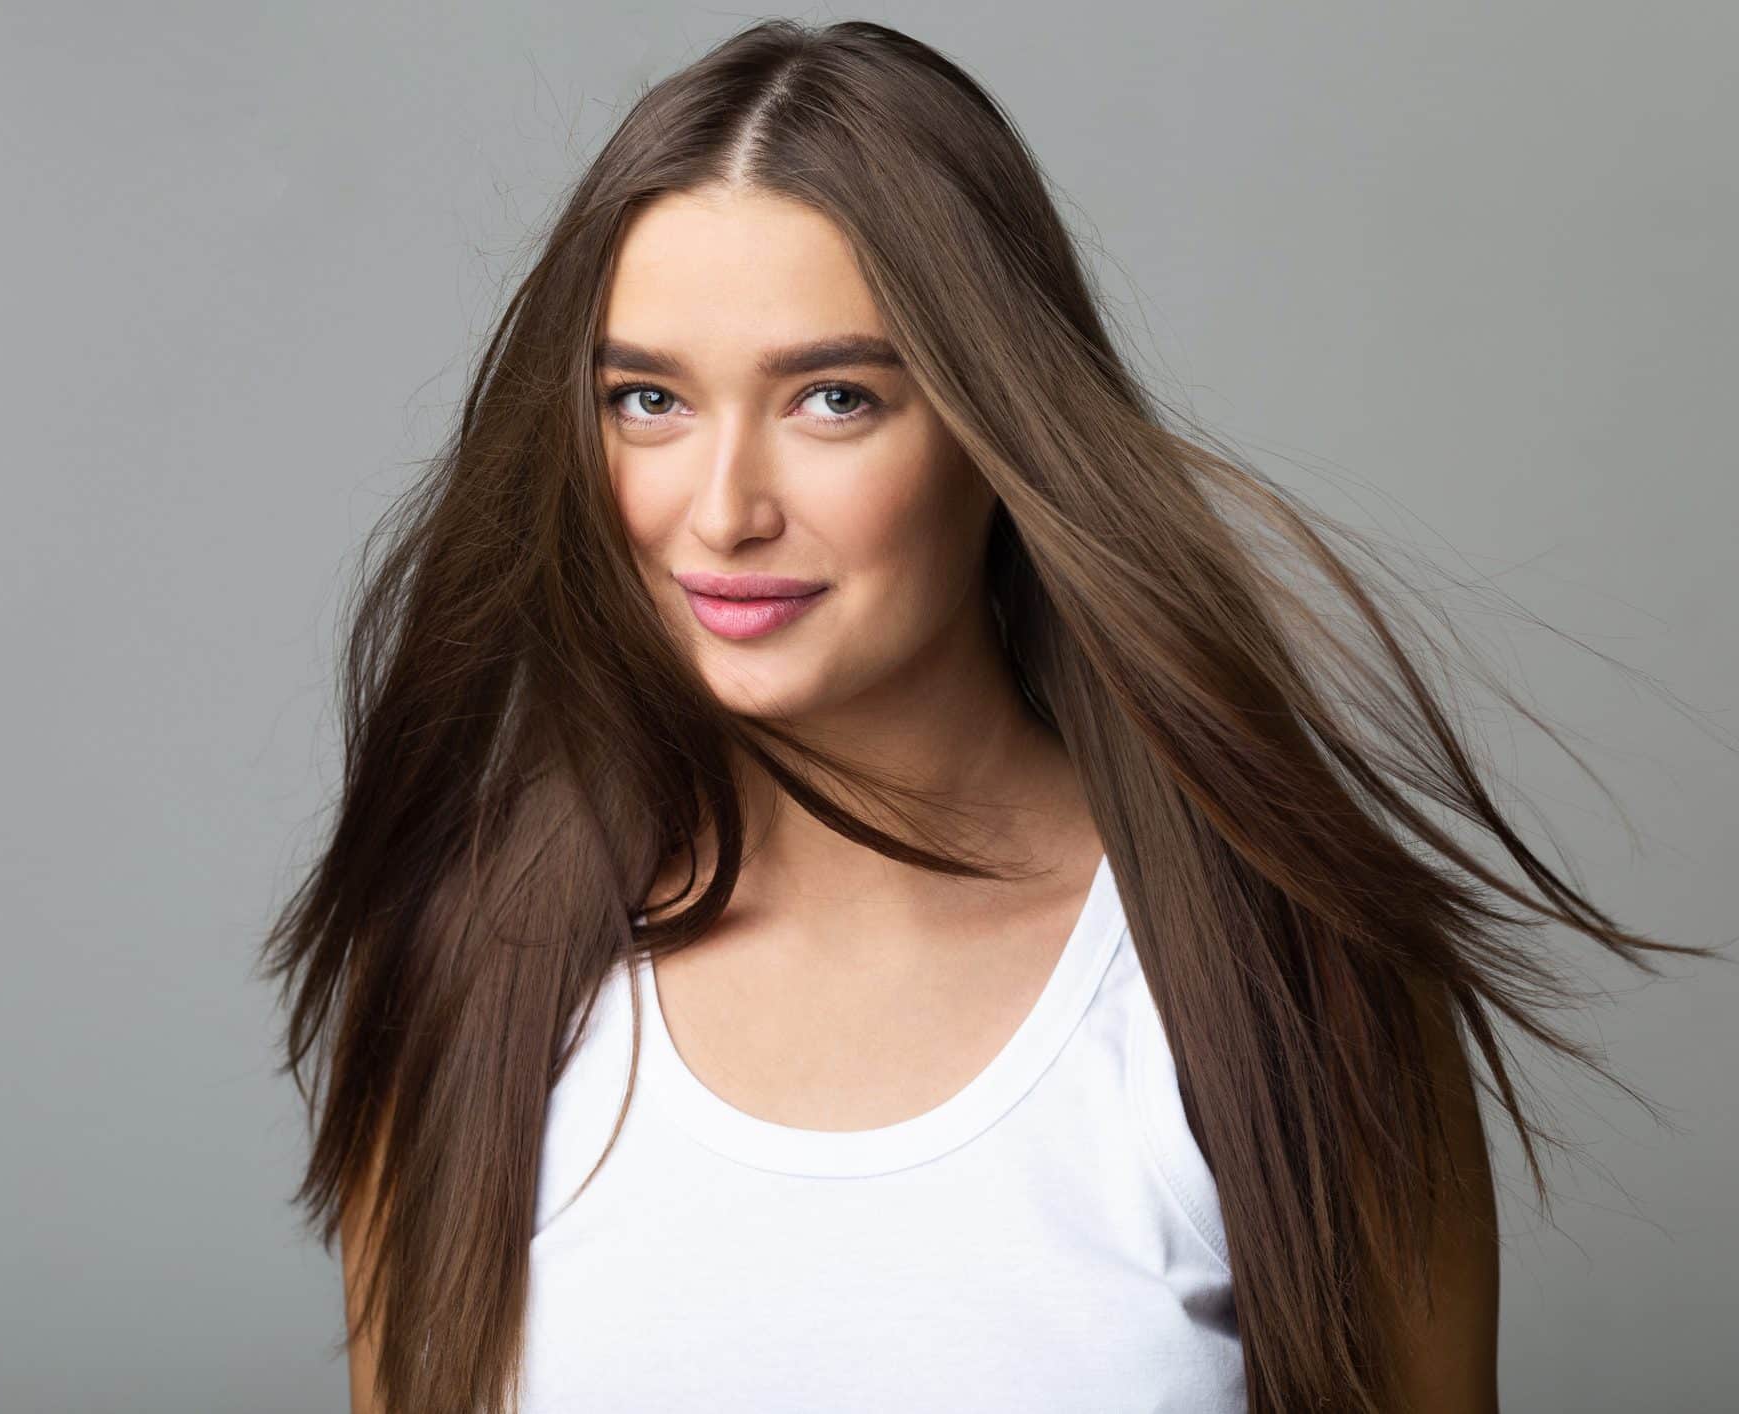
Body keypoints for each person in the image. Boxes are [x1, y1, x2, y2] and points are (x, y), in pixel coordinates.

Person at [260, 19, 1714, 1414]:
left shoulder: (1284, 979)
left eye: (833, 398)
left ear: (992, 423)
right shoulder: (481, 977)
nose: (721, 509)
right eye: (648, 400)